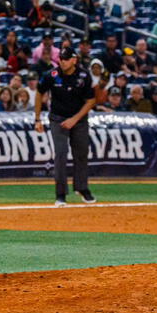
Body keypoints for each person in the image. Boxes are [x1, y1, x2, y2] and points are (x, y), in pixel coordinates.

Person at [35, 47, 96, 207]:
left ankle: (82, 188)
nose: (62, 61)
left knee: (82, 153)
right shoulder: (52, 75)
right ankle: (60, 194)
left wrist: (74, 119)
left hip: (79, 119)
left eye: (66, 58)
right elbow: (39, 92)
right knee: (61, 154)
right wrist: (37, 119)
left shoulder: (83, 76)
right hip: (58, 119)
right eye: (61, 58)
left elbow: (91, 101)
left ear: (74, 60)